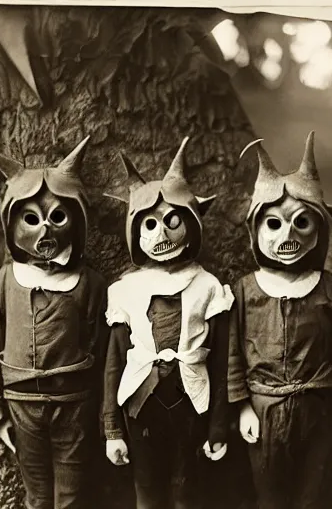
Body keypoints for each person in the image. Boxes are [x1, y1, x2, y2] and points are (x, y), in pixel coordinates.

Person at [103, 137, 234, 509]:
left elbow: (223, 362)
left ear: (191, 224)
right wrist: (112, 430)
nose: (160, 235)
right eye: (149, 225)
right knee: (146, 490)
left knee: (186, 490)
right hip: (140, 406)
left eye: (171, 221)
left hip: (192, 404)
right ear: (134, 232)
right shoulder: (125, 290)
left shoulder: (209, 286)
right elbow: (114, 364)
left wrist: (218, 425)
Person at [0, 135, 108, 509]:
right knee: (36, 496)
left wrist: (102, 414)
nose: (45, 232)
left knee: (72, 497)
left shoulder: (90, 283)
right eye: (31, 219)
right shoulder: (3, 281)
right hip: (21, 405)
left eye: (57, 217)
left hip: (74, 406)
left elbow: (100, 352)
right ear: (12, 222)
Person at [228, 131, 332, 509]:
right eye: (274, 224)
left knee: (310, 498)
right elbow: (233, 354)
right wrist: (242, 407)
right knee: (269, 497)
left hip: (319, 413)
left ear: (319, 231)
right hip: (264, 411)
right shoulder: (245, 289)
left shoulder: (329, 287)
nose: (288, 234)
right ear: (255, 231)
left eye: (301, 223)